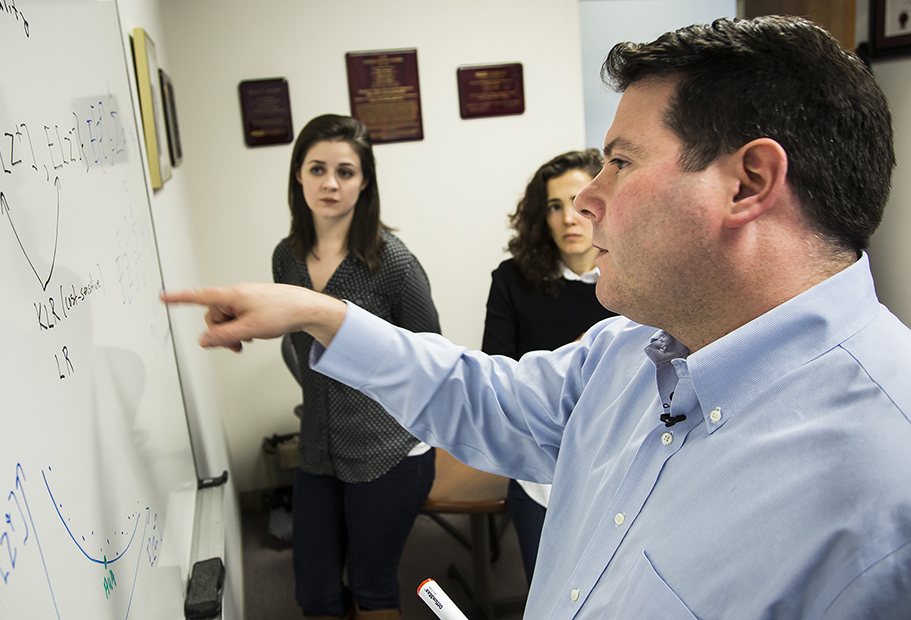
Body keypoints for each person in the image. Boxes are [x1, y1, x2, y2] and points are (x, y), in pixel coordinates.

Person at [164, 17, 911, 619]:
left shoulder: (887, 482)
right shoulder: (628, 349)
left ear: (747, 183)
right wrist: (323, 315)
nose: (586, 202)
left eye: (619, 162)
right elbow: (485, 397)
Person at [271, 114, 440, 620]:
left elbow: (430, 356)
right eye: (317, 169)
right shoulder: (287, 258)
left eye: (345, 171)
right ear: (298, 175)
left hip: (391, 450)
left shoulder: (393, 263)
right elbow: (293, 344)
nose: (330, 183)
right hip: (319, 446)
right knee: (315, 595)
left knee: (372, 586)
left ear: (364, 180)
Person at [482, 149, 615, 586]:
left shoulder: (631, 282)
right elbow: (496, 379)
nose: (568, 218)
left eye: (578, 202)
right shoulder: (511, 281)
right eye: (554, 207)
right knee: (549, 592)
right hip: (541, 469)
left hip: (616, 460)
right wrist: (571, 359)